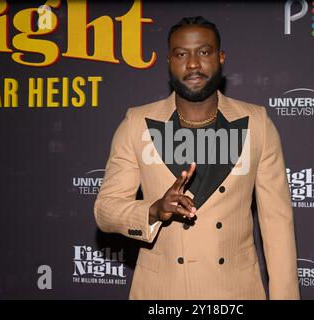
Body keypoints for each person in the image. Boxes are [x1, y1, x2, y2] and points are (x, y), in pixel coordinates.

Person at [94, 16, 300, 300]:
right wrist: (153, 210)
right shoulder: (137, 123)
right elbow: (105, 210)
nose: (193, 63)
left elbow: (278, 226)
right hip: (161, 295)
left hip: (235, 293)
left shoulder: (257, 123)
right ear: (169, 61)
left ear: (221, 58)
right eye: (181, 54)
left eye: (204, 52)